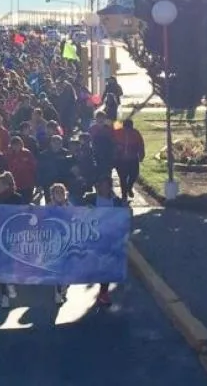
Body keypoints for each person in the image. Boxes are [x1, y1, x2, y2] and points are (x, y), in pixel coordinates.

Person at [82, 176, 124, 307]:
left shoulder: (116, 201)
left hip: (109, 239)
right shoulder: (90, 199)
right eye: (101, 185)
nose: (104, 188)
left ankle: (103, 292)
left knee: (106, 266)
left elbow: (123, 219)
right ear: (98, 186)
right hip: (93, 238)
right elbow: (75, 211)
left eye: (107, 185)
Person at [0, 172, 21, 309]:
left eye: (0, 184)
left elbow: (21, 215)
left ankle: (9, 285)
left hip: (11, 236)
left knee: (8, 264)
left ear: (7, 185)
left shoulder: (16, 198)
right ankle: (5, 295)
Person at [45, 182, 73, 306]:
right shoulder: (49, 207)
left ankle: (64, 288)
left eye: (62, 192)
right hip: (54, 241)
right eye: (57, 192)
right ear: (52, 195)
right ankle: (57, 293)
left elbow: (77, 218)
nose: (60, 194)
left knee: (68, 269)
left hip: (68, 240)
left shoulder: (70, 205)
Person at [114, 118, 146, 202]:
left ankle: (129, 187)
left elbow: (141, 144)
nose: (127, 130)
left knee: (134, 174)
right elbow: (112, 143)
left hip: (132, 158)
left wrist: (141, 155)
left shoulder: (135, 133)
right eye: (126, 128)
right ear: (123, 127)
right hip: (120, 160)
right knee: (122, 177)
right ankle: (124, 194)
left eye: (129, 128)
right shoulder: (118, 133)